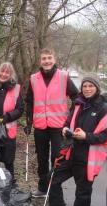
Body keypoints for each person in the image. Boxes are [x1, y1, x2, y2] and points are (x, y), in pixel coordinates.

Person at [48, 76, 107, 206]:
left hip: (87, 158)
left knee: (83, 192)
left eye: (90, 86)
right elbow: (68, 122)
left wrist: (86, 136)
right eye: (84, 86)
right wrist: (64, 129)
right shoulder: (78, 104)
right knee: (52, 178)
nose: (87, 89)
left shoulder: (103, 109)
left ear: (96, 88)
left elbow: (106, 137)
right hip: (71, 152)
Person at [25, 48, 79, 197]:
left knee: (56, 158)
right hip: (40, 126)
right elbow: (29, 101)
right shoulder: (34, 78)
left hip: (59, 126)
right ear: (40, 61)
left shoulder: (63, 76)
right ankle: (42, 188)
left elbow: (76, 97)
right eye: (44, 58)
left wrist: (70, 118)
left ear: (54, 60)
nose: (47, 61)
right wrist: (28, 122)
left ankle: (54, 190)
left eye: (49, 58)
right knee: (42, 159)